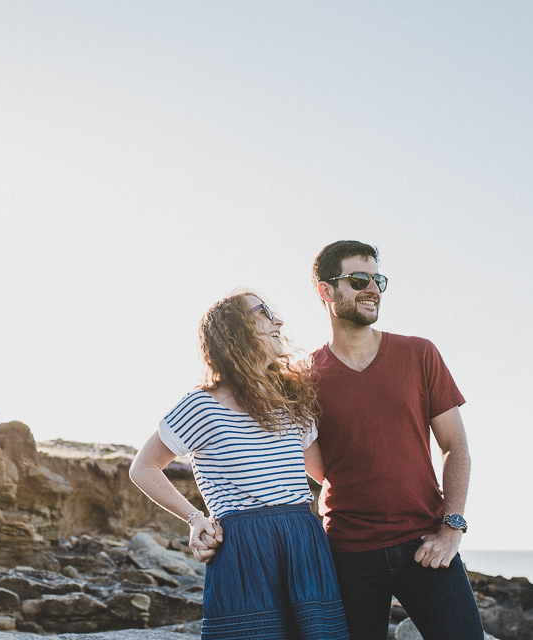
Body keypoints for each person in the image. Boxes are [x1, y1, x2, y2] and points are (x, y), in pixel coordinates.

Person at [198, 242, 485, 640]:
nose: (373, 289)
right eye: (359, 279)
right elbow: (267, 444)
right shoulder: (303, 378)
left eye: (378, 280)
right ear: (326, 290)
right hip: (348, 553)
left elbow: (456, 446)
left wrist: (452, 528)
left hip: (425, 543)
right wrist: (204, 518)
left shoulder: (419, 353)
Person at [129, 291, 349, 640]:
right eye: (265, 313)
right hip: (243, 548)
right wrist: (195, 519)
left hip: (303, 541)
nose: (278, 322)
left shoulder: (293, 401)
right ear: (234, 330)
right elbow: (143, 467)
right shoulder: (201, 406)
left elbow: (325, 474)